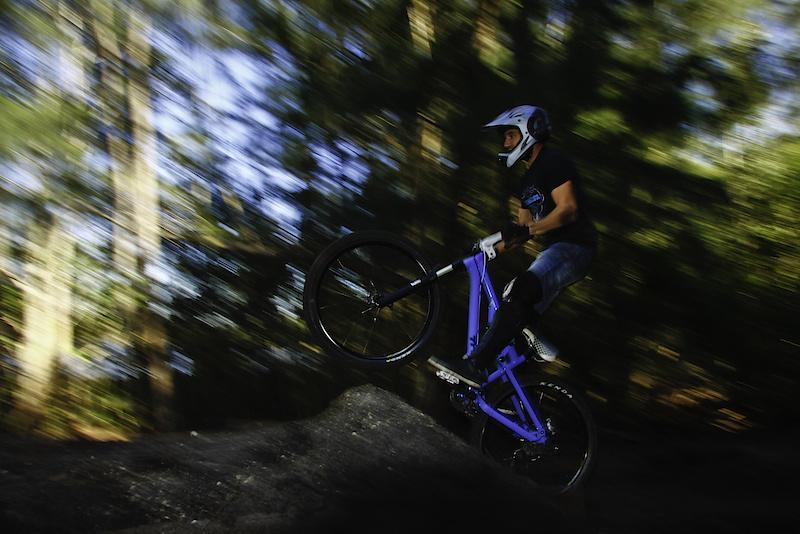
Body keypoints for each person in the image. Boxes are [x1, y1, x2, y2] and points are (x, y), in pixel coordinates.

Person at [429, 104, 597, 387]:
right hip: (553, 251)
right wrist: (484, 249)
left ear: (529, 132)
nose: (505, 143)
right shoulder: (526, 180)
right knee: (511, 308)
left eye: (510, 135)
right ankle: (508, 393)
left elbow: (568, 210)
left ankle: (475, 366)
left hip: (574, 247)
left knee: (521, 290)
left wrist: (526, 229)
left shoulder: (553, 161)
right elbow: (521, 233)